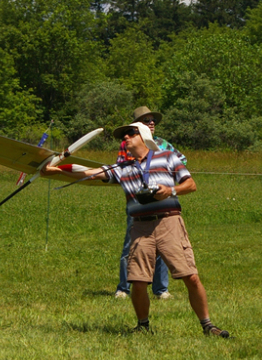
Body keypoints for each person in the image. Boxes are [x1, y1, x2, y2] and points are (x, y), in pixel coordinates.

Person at [43, 122, 229, 337]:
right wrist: (56, 170)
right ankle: (143, 326)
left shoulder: (167, 156)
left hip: (169, 222)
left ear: (143, 136)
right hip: (140, 226)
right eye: (124, 136)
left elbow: (191, 185)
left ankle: (208, 326)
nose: (126, 138)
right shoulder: (121, 168)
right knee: (138, 281)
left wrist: (170, 190)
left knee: (190, 276)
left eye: (130, 134)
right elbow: (89, 173)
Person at [114, 106, 187, 301]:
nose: (152, 123)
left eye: (153, 120)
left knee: (162, 248)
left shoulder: (163, 144)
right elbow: (121, 167)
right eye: (147, 121)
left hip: (162, 203)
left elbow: (182, 160)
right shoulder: (127, 144)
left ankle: (161, 289)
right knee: (131, 246)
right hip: (138, 202)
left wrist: (164, 172)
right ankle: (124, 288)